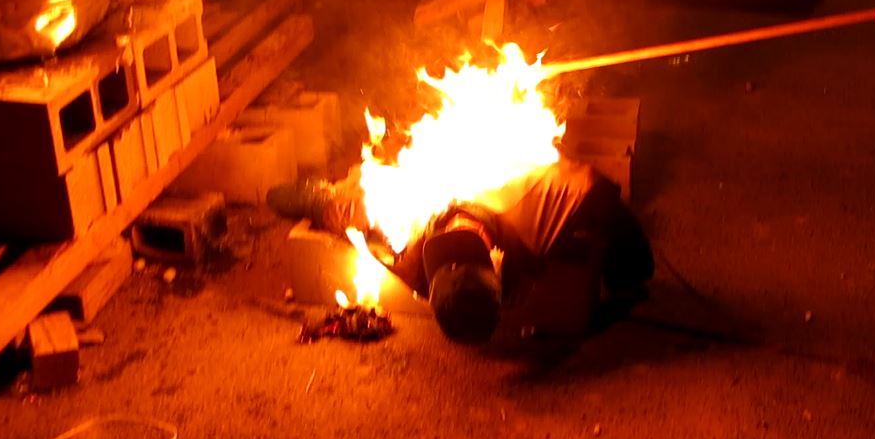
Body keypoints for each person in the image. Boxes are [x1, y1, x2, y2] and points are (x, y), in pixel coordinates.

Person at [273, 160, 655, 344]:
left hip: (448, 167)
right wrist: (631, 273)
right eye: (468, 242)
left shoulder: (409, 251)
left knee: (334, 206)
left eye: (454, 240)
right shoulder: (535, 222)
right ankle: (316, 196)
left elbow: (352, 223)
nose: (462, 229)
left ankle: (314, 194)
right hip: (486, 169)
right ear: (497, 260)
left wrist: (313, 201)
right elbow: (595, 190)